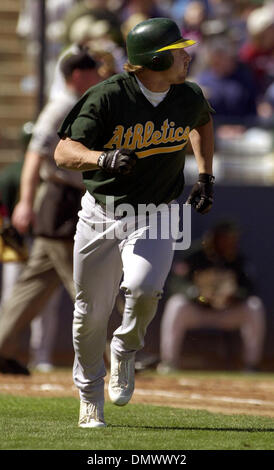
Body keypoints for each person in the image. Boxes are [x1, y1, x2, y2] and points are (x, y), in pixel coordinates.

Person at [54, 17, 215, 428]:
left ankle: (125, 346)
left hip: (157, 211)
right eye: (179, 51)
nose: (187, 55)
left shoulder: (187, 94)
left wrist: (205, 175)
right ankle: (90, 396)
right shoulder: (108, 96)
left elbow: (202, 122)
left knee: (144, 289)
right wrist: (101, 158)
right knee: (90, 313)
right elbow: (64, 151)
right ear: (155, 60)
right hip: (102, 213)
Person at [0, 47, 101, 375]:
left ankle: (3, 346)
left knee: (32, 287)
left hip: (65, 204)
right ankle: (118, 354)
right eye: (93, 71)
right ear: (77, 75)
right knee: (86, 280)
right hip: (58, 204)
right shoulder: (61, 107)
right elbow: (35, 156)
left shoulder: (81, 104)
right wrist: (25, 204)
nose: (99, 75)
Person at [158, 221, 266, 373]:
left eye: (232, 238)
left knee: (254, 306)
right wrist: (196, 294)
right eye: (225, 238)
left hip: (226, 312)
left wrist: (235, 296)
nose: (229, 242)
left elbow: (249, 287)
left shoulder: (237, 259)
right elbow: (176, 282)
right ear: (214, 237)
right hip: (198, 310)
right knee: (176, 304)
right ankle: (169, 363)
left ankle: (251, 365)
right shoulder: (195, 255)